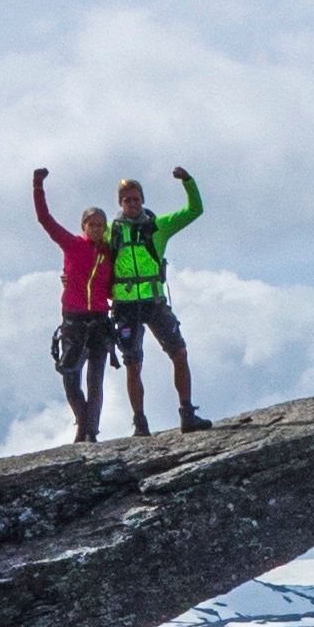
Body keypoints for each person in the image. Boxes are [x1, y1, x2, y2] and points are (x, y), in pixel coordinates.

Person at [107, 168, 208, 434]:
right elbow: (84, 253)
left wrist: (188, 181)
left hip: (154, 301)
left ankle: (187, 414)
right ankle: (140, 424)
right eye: (127, 199)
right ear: (120, 202)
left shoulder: (158, 226)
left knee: (179, 353)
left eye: (136, 198)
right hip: (126, 305)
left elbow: (194, 210)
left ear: (142, 199)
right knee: (133, 364)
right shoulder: (110, 232)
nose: (132, 203)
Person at [31, 168, 114, 442]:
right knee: (69, 375)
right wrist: (38, 185)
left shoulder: (110, 254)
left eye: (100, 224)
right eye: (91, 224)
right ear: (83, 227)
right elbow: (44, 219)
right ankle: (83, 422)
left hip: (100, 321)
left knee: (95, 381)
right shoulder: (72, 245)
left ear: (105, 229)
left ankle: (89, 432)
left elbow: (113, 286)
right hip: (74, 320)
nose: (95, 228)